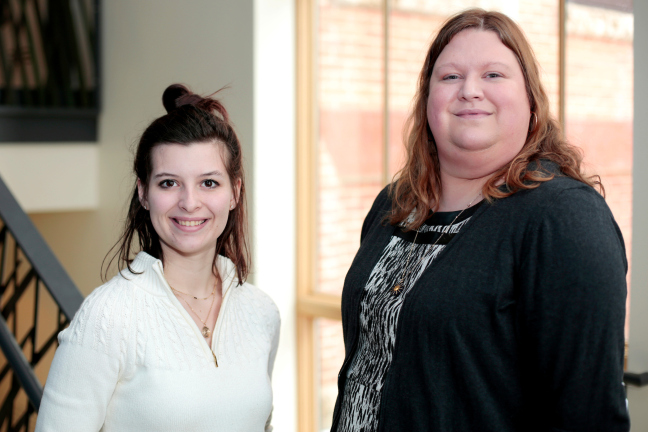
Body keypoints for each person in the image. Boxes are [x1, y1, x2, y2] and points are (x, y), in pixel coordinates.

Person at [331, 8, 629, 432]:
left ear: (530, 100)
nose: (470, 91)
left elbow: (589, 416)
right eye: (450, 76)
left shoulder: (563, 219)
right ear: (427, 99)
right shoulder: (394, 205)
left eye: (494, 75)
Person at [35, 84, 280, 432]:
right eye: (168, 183)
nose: (189, 202)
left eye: (209, 183)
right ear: (144, 193)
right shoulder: (107, 317)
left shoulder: (261, 313)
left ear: (234, 193)